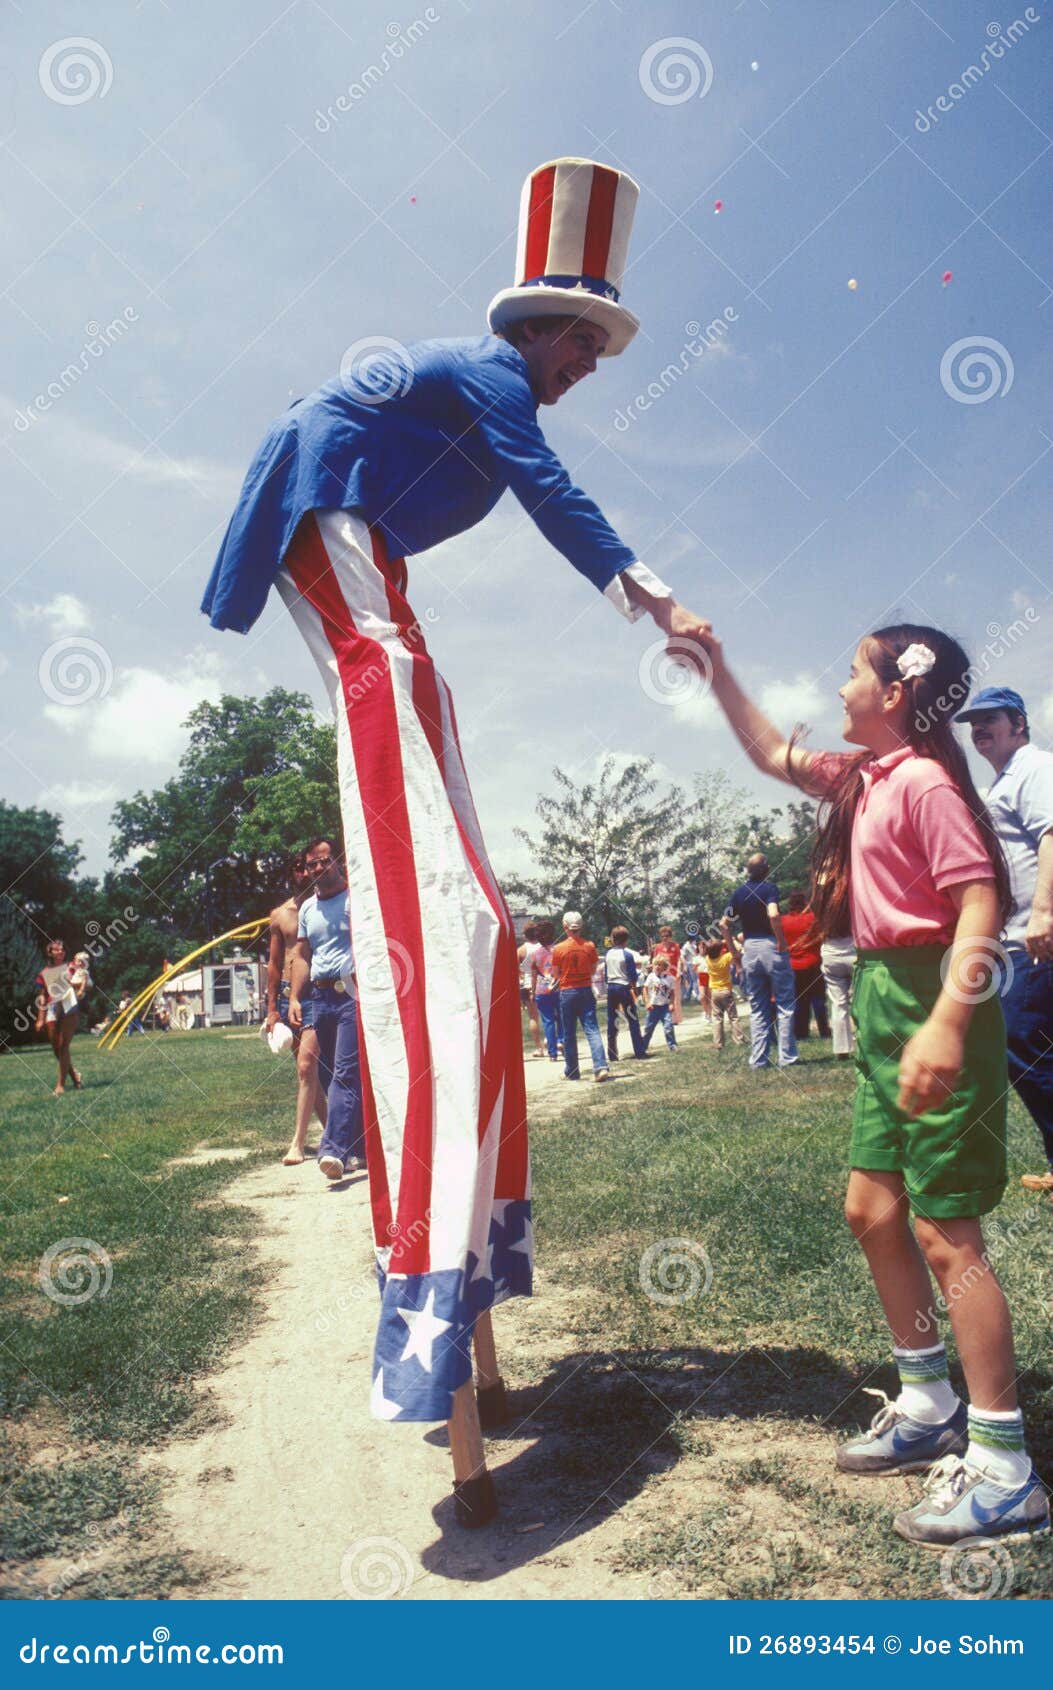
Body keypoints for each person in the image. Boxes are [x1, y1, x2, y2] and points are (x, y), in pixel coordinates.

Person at [202, 156, 712, 1443]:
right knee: (389, 666)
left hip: (357, 527)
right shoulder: (495, 379)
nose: (590, 364)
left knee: (409, 665)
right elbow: (554, 499)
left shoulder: (483, 389)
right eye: (585, 342)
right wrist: (651, 597)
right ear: (541, 328)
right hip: (330, 514)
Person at [698, 618, 1048, 1547]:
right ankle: (927, 1395)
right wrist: (716, 663)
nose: (840, 683)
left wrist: (945, 1020)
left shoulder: (927, 783)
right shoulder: (867, 778)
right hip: (888, 1004)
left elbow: (980, 898)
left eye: (853, 671)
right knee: (871, 1210)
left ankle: (1005, 1466)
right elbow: (773, 751)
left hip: (938, 1001)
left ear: (895, 693)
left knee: (945, 1237)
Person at [956, 686, 1053, 1195]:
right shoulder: (1004, 782)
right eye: (973, 723)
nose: (978, 730)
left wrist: (1043, 912)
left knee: (1021, 1043)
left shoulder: (1035, 768)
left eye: (989, 719)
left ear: (1019, 722)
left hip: (1036, 937)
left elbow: (1052, 833)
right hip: (1022, 937)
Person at [287, 838, 365, 1182]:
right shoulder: (307, 910)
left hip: (351, 993)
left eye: (325, 861)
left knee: (345, 1072)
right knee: (329, 1073)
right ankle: (358, 1148)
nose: (319, 868)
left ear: (338, 861)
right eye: (312, 864)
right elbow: (302, 958)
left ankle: (332, 1149)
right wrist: (293, 998)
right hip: (320, 998)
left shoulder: (357, 900)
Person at [266, 855, 329, 1166]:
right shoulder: (280, 916)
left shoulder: (324, 907)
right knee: (308, 1071)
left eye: (308, 867)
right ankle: (333, 1134)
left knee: (308, 1067)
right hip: (290, 999)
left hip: (321, 993)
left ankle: (298, 1143)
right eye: (298, 868)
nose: (304, 873)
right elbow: (275, 965)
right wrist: (271, 1010)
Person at [722, 855, 798, 1070]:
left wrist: (734, 954)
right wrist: (782, 941)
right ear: (766, 869)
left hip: (750, 950)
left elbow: (724, 924)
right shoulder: (769, 889)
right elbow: (773, 914)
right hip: (770, 947)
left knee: (757, 1008)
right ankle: (787, 1057)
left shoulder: (738, 893)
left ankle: (758, 1059)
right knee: (784, 1004)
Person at [551, 911, 610, 1082]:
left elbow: (555, 973)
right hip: (585, 989)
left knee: (569, 1033)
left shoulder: (559, 948)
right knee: (592, 1029)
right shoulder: (589, 946)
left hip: (567, 991)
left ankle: (572, 1070)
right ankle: (600, 1067)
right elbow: (593, 970)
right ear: (581, 926)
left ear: (565, 927)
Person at [34, 939, 82, 1095]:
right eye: (56, 949)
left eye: (62, 949)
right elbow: (42, 996)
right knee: (56, 1047)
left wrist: (76, 984)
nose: (60, 952)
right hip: (52, 1007)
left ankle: (60, 1085)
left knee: (63, 1046)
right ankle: (74, 1074)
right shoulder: (44, 973)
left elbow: (83, 983)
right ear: (50, 952)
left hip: (69, 1004)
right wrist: (40, 1018)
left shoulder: (72, 967)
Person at [781, 891, 831, 1041]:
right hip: (813, 962)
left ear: (790, 905)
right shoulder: (813, 919)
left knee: (799, 1000)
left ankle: (801, 1032)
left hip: (793, 966)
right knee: (818, 999)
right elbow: (821, 937)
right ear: (804, 903)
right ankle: (824, 1029)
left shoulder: (783, 921)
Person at [604, 925, 648, 1061]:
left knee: (612, 1019)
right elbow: (632, 976)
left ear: (612, 938)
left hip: (611, 987)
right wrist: (634, 990)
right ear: (626, 940)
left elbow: (606, 974)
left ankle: (612, 1053)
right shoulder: (627, 955)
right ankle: (639, 1051)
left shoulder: (608, 954)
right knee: (632, 1018)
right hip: (623, 987)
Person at [705, 937, 744, 1051]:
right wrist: (730, 940)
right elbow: (738, 950)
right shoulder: (725, 958)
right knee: (733, 1017)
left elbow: (712, 949)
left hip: (714, 992)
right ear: (720, 950)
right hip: (726, 990)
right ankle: (739, 1039)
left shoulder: (708, 959)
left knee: (717, 1018)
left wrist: (719, 944)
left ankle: (718, 1043)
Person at [530, 920, 560, 1062]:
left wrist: (532, 992)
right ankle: (562, 1041)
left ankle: (552, 1054)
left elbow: (534, 975)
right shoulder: (559, 950)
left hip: (541, 990)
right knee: (562, 1018)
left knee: (548, 1021)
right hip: (558, 988)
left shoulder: (535, 954)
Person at [517, 921, 545, 1059]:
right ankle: (552, 1041)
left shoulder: (521, 950)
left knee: (533, 1017)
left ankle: (539, 1047)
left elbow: (516, 971)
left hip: (527, 985)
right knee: (549, 1015)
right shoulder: (544, 947)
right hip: (544, 983)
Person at [640, 955, 678, 1054]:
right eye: (655, 964)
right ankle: (643, 1047)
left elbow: (672, 993)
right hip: (653, 1007)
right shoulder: (651, 977)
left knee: (668, 1027)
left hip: (665, 1007)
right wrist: (647, 1002)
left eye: (660, 965)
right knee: (648, 1028)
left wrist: (671, 1004)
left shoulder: (669, 978)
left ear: (665, 967)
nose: (657, 966)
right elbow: (645, 989)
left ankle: (672, 1045)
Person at [651, 926, 683, 1024]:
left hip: (673, 975)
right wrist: (654, 974)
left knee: (675, 997)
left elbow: (679, 960)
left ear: (670, 936)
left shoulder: (675, 946)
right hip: (662, 975)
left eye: (667, 936)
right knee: (663, 997)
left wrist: (679, 971)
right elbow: (655, 961)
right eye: (662, 936)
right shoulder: (658, 947)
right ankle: (665, 1018)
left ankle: (675, 1019)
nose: (665, 938)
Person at [680, 935, 699, 1004]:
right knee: (695, 980)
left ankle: (686, 996)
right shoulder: (686, 946)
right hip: (689, 964)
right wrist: (685, 966)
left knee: (691, 982)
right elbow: (682, 957)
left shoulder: (694, 945)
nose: (694, 940)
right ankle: (698, 996)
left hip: (694, 963)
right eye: (693, 939)